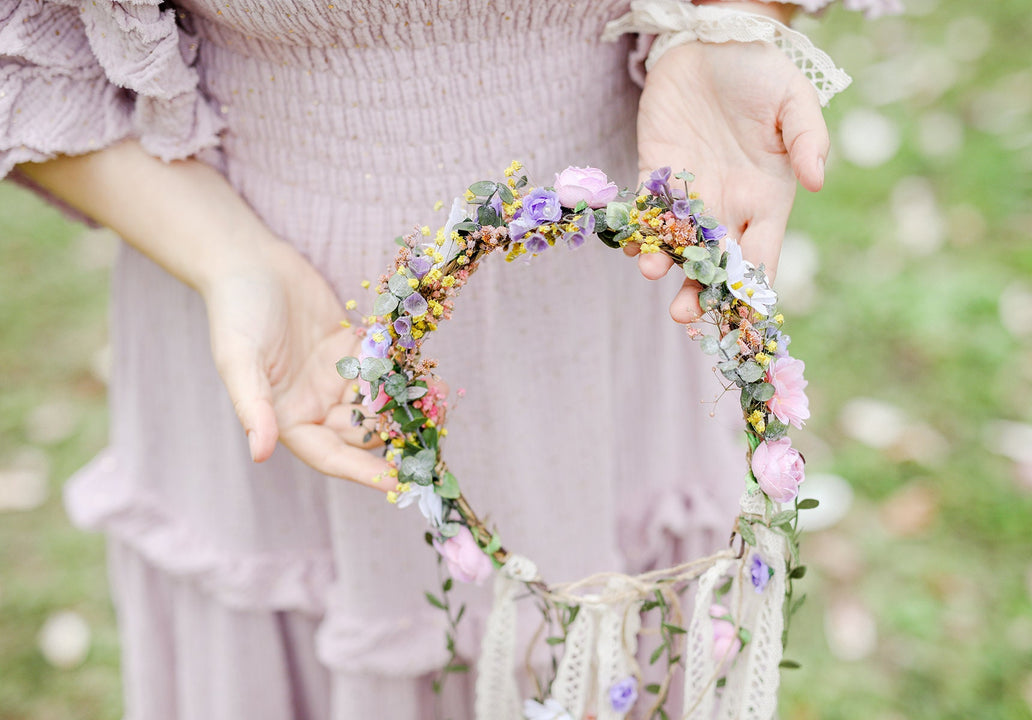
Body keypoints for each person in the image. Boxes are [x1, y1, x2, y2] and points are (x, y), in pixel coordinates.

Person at [1, 0, 895, 717]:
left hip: (611, 317)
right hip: (279, 314)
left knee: (620, 625)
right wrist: (228, 257)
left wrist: (732, 18)